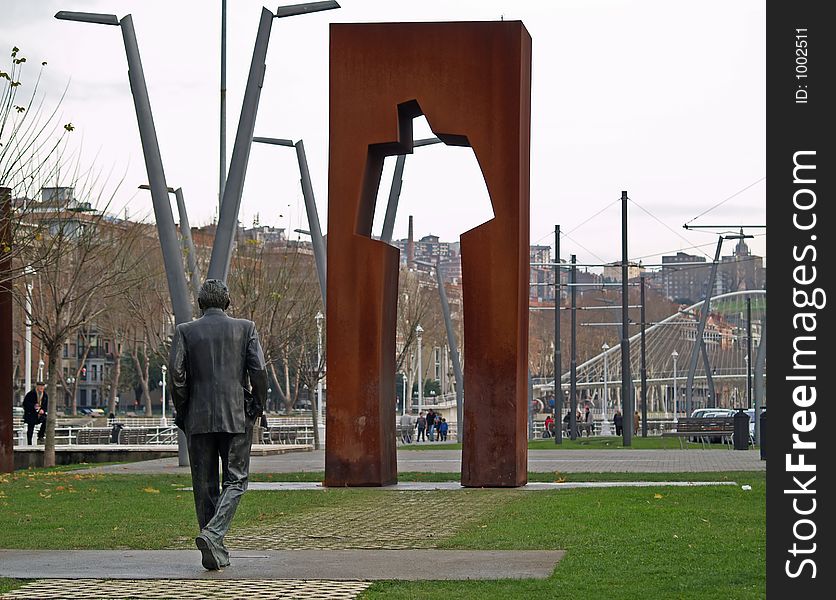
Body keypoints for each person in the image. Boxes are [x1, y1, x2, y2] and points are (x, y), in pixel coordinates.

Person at [170, 279, 268, 571]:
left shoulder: (185, 331)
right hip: (236, 415)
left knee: (204, 485)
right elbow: (259, 371)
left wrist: (184, 409)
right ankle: (213, 536)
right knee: (236, 479)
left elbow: (177, 376)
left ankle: (213, 544)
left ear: (201, 303)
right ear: (227, 302)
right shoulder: (245, 328)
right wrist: (257, 405)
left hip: (198, 416)